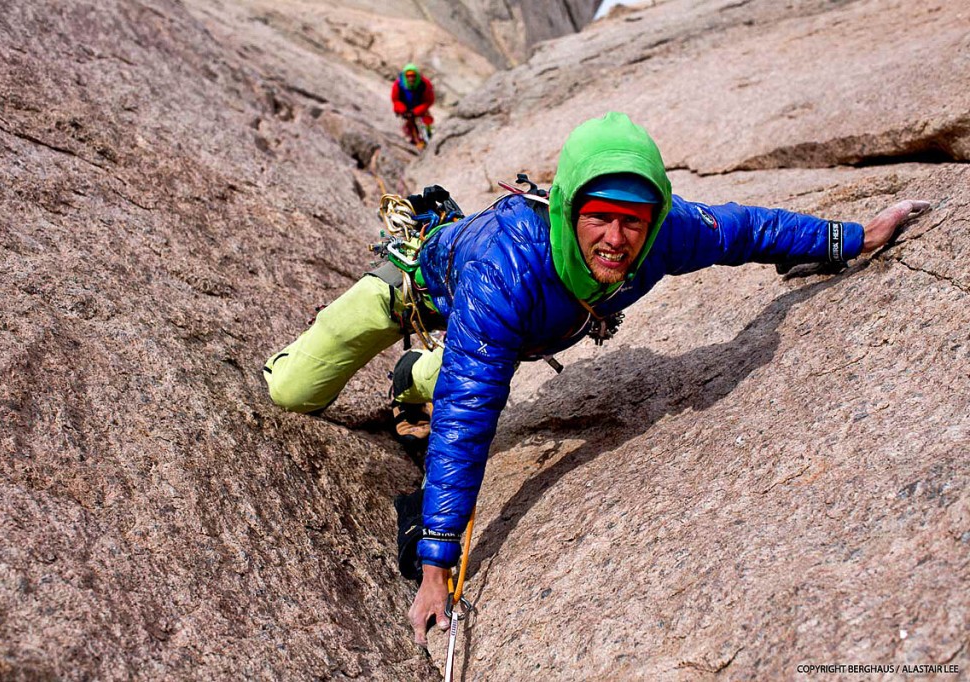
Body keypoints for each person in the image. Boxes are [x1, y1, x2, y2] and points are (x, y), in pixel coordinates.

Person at [262, 112, 930, 646]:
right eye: (598, 216)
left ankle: (415, 375)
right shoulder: (507, 270)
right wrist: (437, 564)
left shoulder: (664, 235)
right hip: (412, 289)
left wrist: (849, 240)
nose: (615, 237)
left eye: (631, 221)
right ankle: (406, 364)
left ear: (653, 218)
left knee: (475, 359)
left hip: (511, 329)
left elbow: (746, 228)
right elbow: (468, 418)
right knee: (292, 393)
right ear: (567, 210)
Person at [391, 63, 435, 144]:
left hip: (420, 107)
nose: (411, 78)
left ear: (417, 76)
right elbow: (395, 100)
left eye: (413, 75)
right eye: (408, 75)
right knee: (409, 125)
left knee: (426, 121)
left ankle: (428, 136)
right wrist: (402, 110)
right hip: (405, 108)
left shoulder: (425, 84)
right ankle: (414, 139)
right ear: (404, 76)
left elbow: (429, 100)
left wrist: (416, 111)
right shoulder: (398, 84)